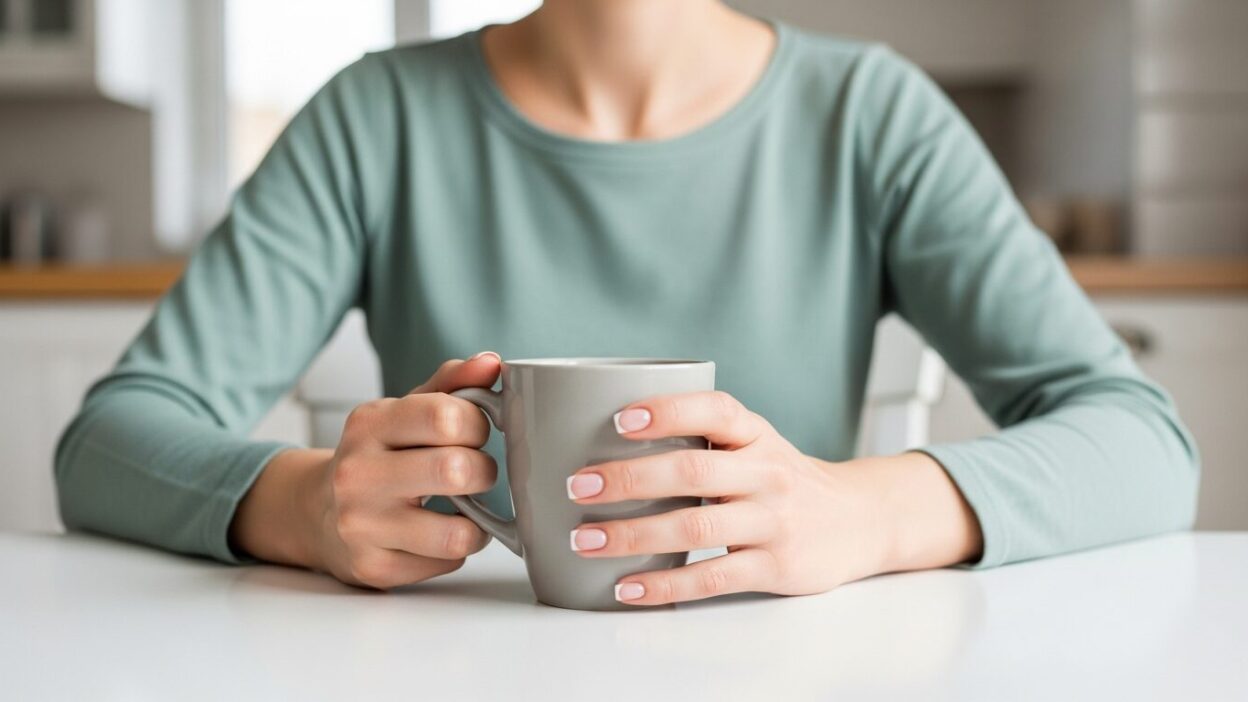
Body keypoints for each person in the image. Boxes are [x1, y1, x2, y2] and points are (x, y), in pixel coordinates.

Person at [55, 0, 1198, 606]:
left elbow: (1144, 439)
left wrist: (865, 513)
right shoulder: (376, 117)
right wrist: (302, 508)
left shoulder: (871, 115)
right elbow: (109, 442)